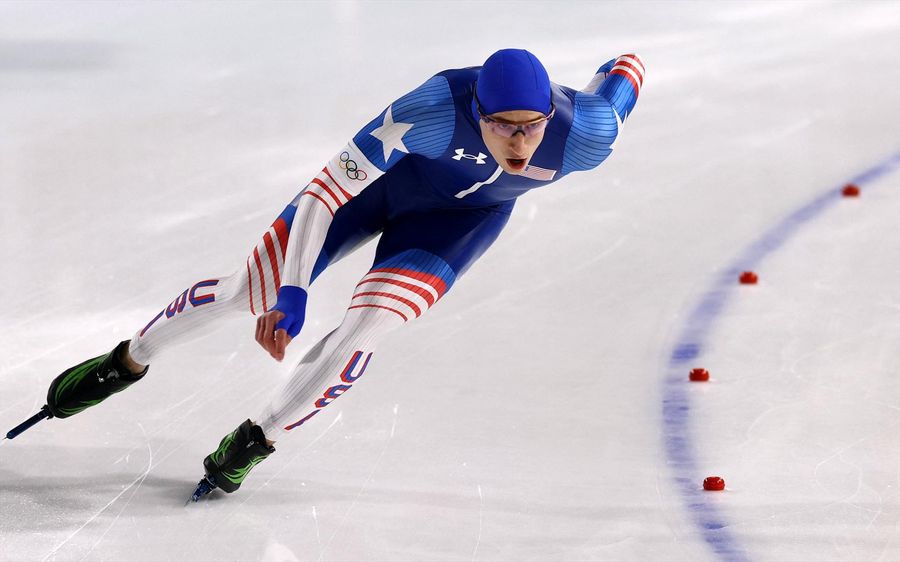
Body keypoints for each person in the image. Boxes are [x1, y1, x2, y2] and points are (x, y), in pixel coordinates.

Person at [41, 48, 645, 499]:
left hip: (457, 225)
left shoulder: (585, 136)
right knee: (246, 292)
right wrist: (294, 289)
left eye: (532, 124)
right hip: (376, 194)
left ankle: (257, 440)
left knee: (369, 325)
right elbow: (326, 192)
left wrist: (624, 66)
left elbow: (620, 84)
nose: (520, 143)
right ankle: (126, 360)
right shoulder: (430, 110)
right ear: (475, 110)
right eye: (502, 126)